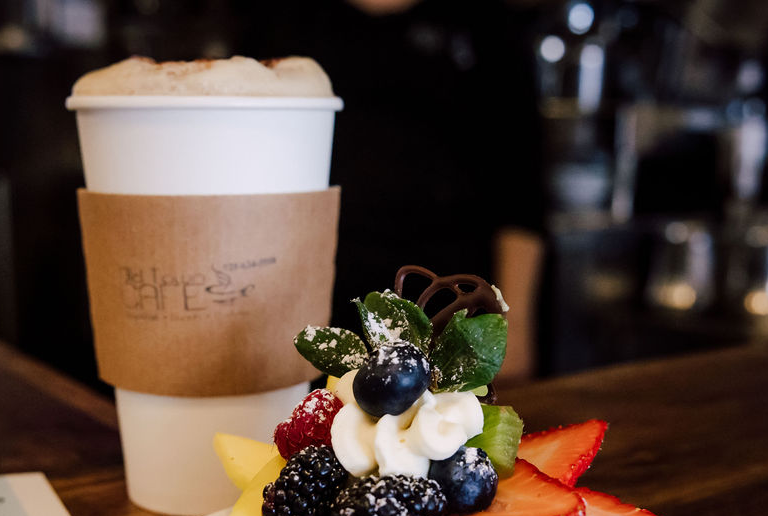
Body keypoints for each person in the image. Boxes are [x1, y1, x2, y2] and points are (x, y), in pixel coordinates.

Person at [234, 0, 546, 378]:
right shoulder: (281, 20)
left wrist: (512, 330)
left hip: (450, 300)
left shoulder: (486, 24)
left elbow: (521, 193)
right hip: (317, 295)